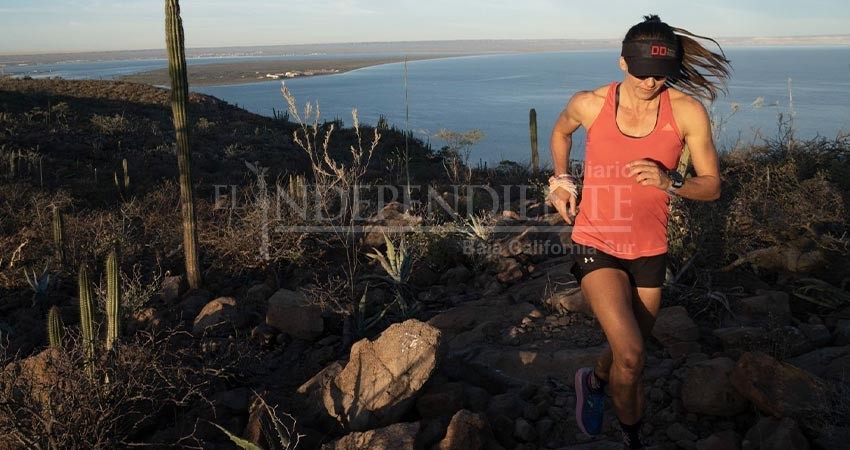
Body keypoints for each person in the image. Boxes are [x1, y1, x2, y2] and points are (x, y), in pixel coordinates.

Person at [547, 14, 731, 449]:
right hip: (597, 240)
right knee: (632, 354)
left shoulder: (686, 111)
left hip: (650, 248)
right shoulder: (590, 103)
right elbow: (560, 132)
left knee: (626, 356)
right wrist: (560, 180)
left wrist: (672, 182)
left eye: (661, 75)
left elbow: (713, 186)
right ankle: (633, 441)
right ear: (623, 64)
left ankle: (592, 381)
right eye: (644, 73)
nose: (652, 83)